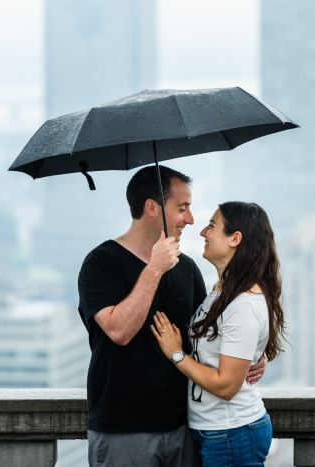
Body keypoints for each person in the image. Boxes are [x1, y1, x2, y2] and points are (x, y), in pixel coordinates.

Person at [78, 167, 267, 467]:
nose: (190, 220)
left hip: (183, 429)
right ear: (151, 208)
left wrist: (253, 354)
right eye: (182, 208)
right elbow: (119, 331)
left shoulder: (187, 268)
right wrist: (154, 269)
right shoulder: (101, 262)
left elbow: (207, 335)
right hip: (123, 431)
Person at [151, 201, 286, 466]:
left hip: (232, 433)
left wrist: (176, 354)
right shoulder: (222, 293)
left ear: (235, 239)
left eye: (212, 226)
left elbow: (226, 386)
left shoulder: (243, 303)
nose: (203, 232)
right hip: (215, 431)